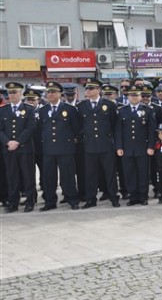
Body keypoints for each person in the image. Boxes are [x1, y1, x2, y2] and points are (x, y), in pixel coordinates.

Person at [76, 78, 120, 209]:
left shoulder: (109, 105)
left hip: (106, 144)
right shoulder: (82, 106)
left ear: (98, 90)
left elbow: (114, 125)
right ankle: (91, 199)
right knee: (90, 174)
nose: (87, 91)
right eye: (87, 88)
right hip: (89, 145)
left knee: (110, 173)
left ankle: (113, 197)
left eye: (91, 88)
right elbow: (80, 125)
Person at [37, 81, 81, 211]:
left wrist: (72, 141)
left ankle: (72, 199)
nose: (50, 94)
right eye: (48, 92)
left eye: (53, 91)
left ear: (60, 94)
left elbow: (76, 128)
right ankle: (50, 202)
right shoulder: (43, 110)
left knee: (68, 176)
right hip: (49, 149)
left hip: (65, 148)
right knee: (48, 177)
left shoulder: (70, 109)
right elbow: (40, 130)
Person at [115, 85, 156, 206]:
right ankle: (132, 196)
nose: (134, 97)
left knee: (143, 173)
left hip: (142, 147)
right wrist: (119, 147)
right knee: (129, 173)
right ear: (127, 96)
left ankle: (143, 196)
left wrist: (151, 146)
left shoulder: (148, 110)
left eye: (136, 95)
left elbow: (152, 131)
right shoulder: (122, 111)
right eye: (131, 95)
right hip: (127, 148)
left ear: (140, 96)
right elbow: (118, 131)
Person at [0, 82, 36, 213]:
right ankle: (13, 202)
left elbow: (31, 128)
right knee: (12, 176)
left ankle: (30, 201)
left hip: (25, 148)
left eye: (14, 92)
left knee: (28, 176)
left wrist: (17, 142)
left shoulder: (29, 109)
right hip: (8, 149)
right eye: (10, 92)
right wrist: (8, 142)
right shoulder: (3, 110)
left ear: (21, 93)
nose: (12, 95)